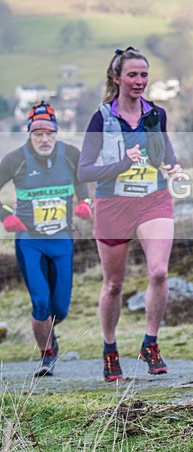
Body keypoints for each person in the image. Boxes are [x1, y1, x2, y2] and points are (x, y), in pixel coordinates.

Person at [78, 47, 183, 382]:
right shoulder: (102, 119)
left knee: (159, 272)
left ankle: (150, 344)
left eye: (144, 75)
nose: (139, 81)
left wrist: (174, 168)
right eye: (132, 75)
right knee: (114, 284)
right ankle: (110, 349)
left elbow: (165, 153)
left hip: (153, 198)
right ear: (116, 78)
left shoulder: (156, 115)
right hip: (113, 204)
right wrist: (123, 164)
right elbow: (84, 171)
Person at [0, 102, 92, 377]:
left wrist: (84, 202)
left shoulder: (71, 154)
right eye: (38, 134)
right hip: (30, 241)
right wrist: (6, 216)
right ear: (30, 134)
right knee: (41, 302)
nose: (44, 139)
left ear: (56, 133)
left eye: (49, 133)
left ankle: (50, 333)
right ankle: (46, 356)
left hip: (62, 239)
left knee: (60, 308)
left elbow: (81, 183)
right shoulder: (15, 159)